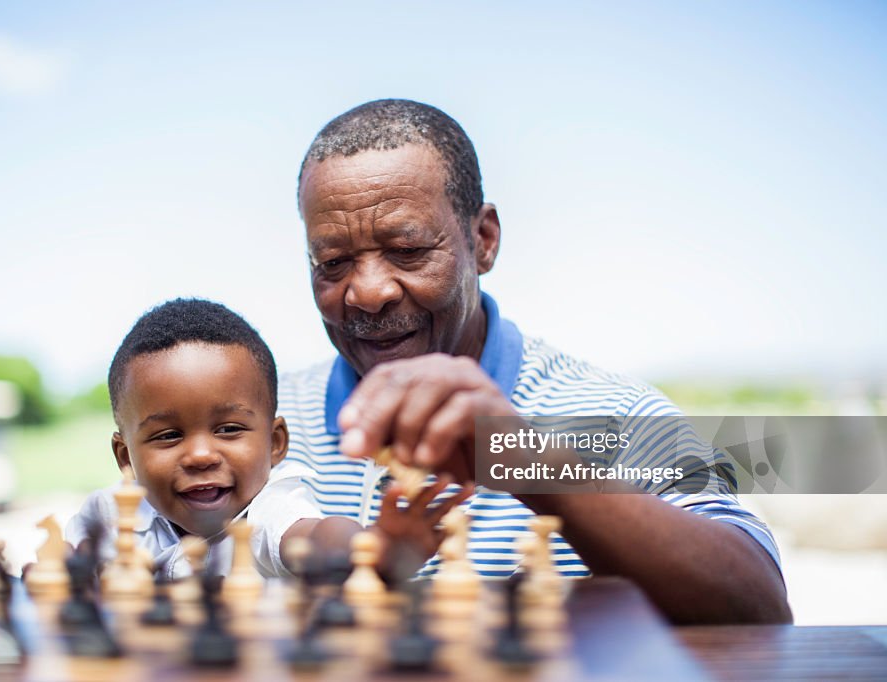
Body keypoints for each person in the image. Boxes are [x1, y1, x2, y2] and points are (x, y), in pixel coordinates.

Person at [280, 98, 792, 623]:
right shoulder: (259, 426)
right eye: (333, 263)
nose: (368, 292)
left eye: (407, 251)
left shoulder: (616, 413)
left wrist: (531, 462)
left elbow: (760, 608)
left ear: (483, 240)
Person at [66, 298, 470, 580]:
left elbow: (313, 536)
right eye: (168, 436)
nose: (201, 454)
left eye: (229, 429)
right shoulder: (107, 513)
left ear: (276, 442)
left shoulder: (268, 511)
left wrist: (373, 548)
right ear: (125, 456)